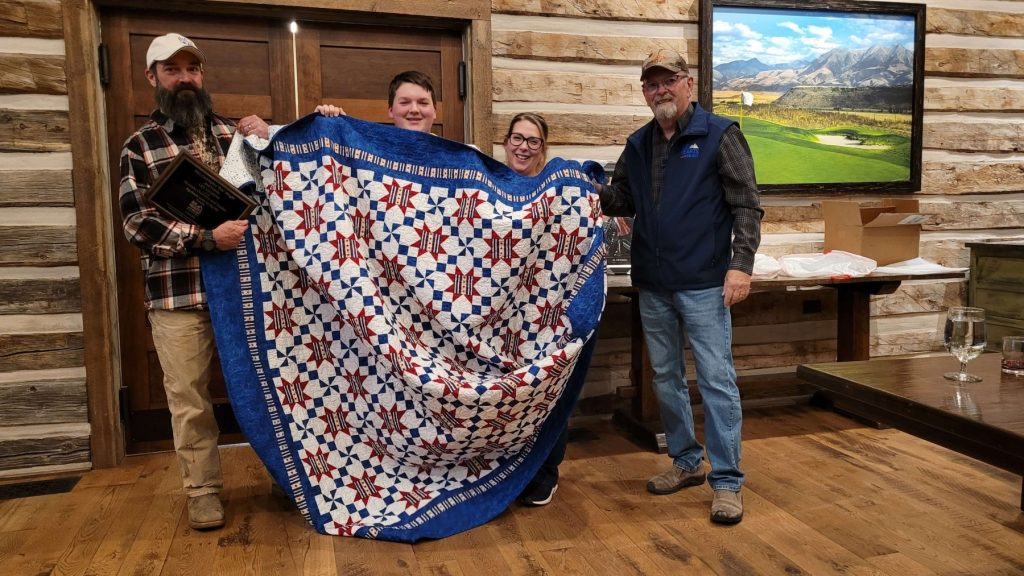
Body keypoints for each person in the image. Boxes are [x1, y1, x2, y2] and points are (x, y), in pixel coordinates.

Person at [595, 48, 763, 524]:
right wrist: (586, 185)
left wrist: (741, 266)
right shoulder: (638, 143)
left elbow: (747, 205)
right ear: (644, 92)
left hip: (705, 283)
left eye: (668, 80)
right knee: (665, 378)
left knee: (716, 380)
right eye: (652, 84)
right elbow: (621, 199)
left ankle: (726, 481)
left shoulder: (720, 134)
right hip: (654, 283)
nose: (660, 90)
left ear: (688, 83)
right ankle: (686, 462)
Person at [119, 33, 262, 530]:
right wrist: (206, 237)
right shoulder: (140, 146)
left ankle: (286, 479)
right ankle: (202, 492)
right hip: (178, 294)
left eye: (192, 69)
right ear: (152, 77)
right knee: (189, 400)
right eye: (172, 69)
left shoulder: (234, 136)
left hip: (244, 292)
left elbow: (274, 196)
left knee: (266, 388)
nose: (185, 78)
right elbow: (137, 223)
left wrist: (269, 136)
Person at [497, 113, 565, 506]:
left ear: (543, 148)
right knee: (507, 397)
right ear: (506, 142)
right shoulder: (488, 185)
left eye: (533, 141)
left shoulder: (554, 190)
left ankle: (545, 471)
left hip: (544, 313)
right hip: (496, 316)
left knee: (547, 391)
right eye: (517, 138)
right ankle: (506, 472)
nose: (523, 147)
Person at [313, 70, 437, 133]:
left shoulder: (449, 158)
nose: (414, 110)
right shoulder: (365, 149)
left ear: (435, 111)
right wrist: (326, 127)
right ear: (390, 110)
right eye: (404, 102)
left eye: (423, 103)